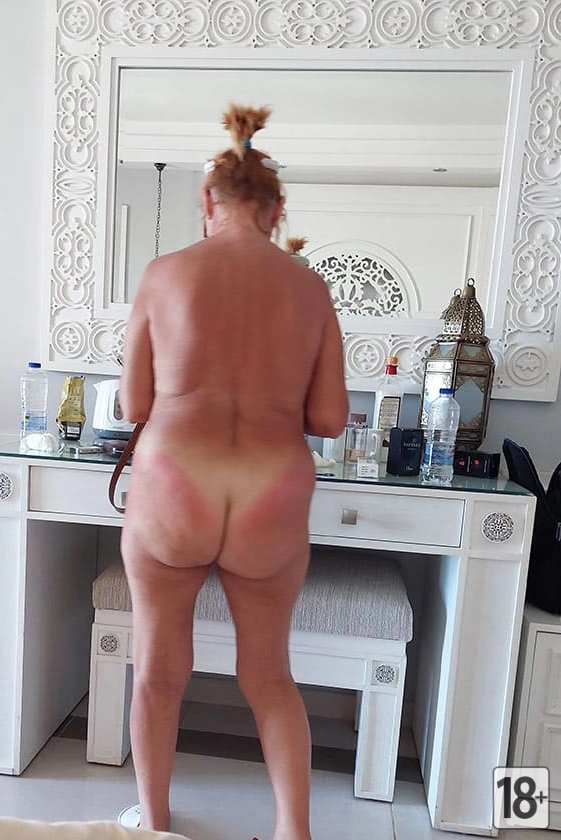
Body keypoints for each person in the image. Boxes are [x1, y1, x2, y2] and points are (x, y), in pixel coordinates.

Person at [118, 104, 349, 838]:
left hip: (174, 483)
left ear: (207, 201)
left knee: (159, 674)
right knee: (269, 676)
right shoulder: (310, 289)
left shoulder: (164, 274)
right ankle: (293, 830)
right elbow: (330, 419)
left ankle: (155, 825)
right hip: (270, 493)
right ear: (278, 210)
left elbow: (133, 404)